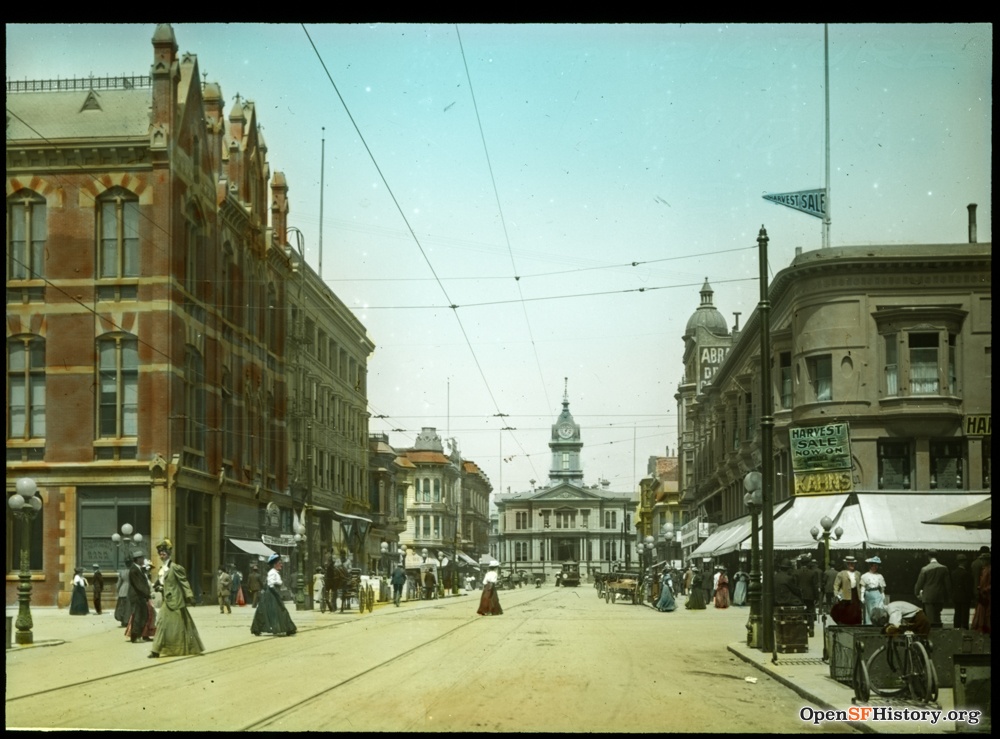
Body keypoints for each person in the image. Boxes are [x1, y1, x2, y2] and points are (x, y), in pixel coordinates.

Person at [149, 539, 204, 658]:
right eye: (160, 552)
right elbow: (161, 583)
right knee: (162, 623)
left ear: (169, 553)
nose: (161, 554)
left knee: (181, 626)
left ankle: (185, 648)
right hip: (166, 602)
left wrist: (190, 596)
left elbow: (184, 582)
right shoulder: (161, 569)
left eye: (164, 552)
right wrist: (156, 587)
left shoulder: (175, 568)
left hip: (176, 601)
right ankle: (155, 650)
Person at [251, 553, 297, 636]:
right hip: (271, 594)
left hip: (273, 593)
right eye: (280, 563)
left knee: (272, 610)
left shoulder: (275, 572)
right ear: (275, 564)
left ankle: (288, 628)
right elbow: (271, 584)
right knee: (277, 610)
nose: (281, 565)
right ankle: (287, 628)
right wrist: (276, 594)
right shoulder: (272, 572)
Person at [914, 550, 951, 628]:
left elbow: (919, 584)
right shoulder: (944, 568)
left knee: (929, 618)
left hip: (928, 597)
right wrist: (948, 596)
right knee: (937, 617)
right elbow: (948, 585)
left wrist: (917, 593)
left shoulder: (925, 569)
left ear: (928, 557)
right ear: (937, 556)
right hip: (939, 596)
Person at [128, 550, 153, 643]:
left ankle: (139, 635)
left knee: (143, 615)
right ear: (137, 559)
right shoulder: (134, 570)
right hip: (137, 596)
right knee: (139, 616)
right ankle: (135, 637)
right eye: (142, 558)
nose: (143, 559)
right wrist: (148, 594)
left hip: (140, 596)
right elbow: (139, 585)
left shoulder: (138, 568)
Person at [831, 555, 862, 625]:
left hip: (855, 595)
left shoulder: (858, 573)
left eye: (853, 563)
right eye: (850, 563)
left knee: (855, 611)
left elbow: (860, 585)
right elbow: (836, 585)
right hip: (845, 595)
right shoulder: (841, 573)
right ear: (847, 564)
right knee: (846, 611)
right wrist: (838, 595)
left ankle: (855, 625)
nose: (852, 565)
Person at [860, 555, 887, 626]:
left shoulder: (880, 576)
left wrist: (882, 594)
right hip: (869, 593)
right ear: (870, 566)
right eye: (874, 566)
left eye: (876, 566)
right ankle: (869, 624)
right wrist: (862, 596)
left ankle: (879, 624)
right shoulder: (865, 576)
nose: (875, 567)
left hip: (877, 593)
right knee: (870, 610)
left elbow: (882, 588)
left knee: (879, 609)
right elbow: (863, 587)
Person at [971, 549, 990, 635]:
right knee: (982, 613)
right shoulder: (984, 569)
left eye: (983, 560)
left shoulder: (989, 570)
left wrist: (985, 589)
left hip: (988, 595)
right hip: (983, 594)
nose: (982, 561)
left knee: (986, 614)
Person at [951, 554, 973, 630]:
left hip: (956, 596)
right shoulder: (966, 574)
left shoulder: (953, 573)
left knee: (957, 613)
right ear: (965, 562)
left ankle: (956, 627)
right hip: (964, 597)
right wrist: (970, 596)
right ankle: (964, 628)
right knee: (965, 614)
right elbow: (968, 588)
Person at [114, 557, 132, 627]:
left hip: (122, 590)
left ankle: (122, 620)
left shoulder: (122, 572)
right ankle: (127, 620)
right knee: (128, 607)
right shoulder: (132, 571)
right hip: (129, 589)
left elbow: (118, 583)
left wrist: (118, 590)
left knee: (121, 606)